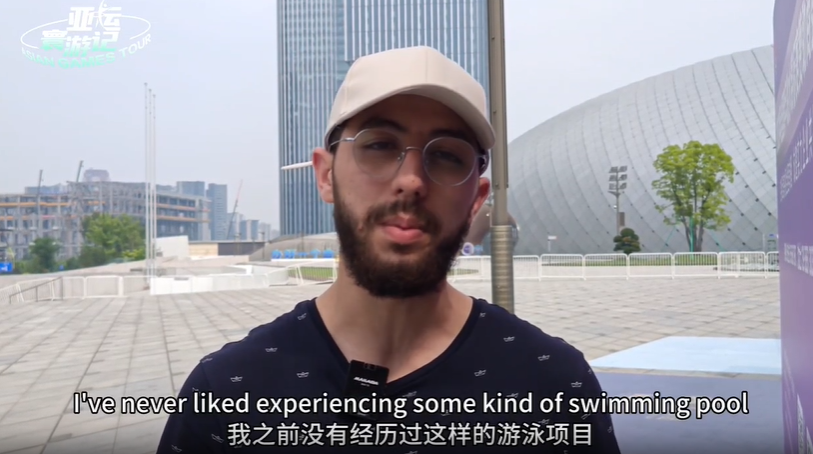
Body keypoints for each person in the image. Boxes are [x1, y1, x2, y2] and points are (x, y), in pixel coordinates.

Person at [157, 46, 621, 453]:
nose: (411, 181)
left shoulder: (553, 385)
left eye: (446, 155)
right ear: (325, 175)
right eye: (379, 145)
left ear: (476, 198)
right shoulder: (226, 394)